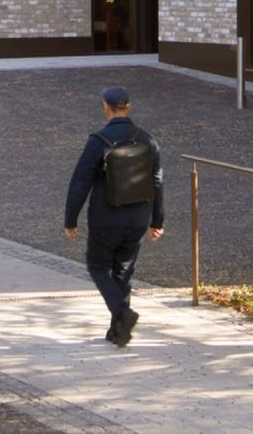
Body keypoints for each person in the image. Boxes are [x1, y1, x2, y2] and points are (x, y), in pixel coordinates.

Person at [63, 82, 164, 347]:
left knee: (97, 267)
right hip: (138, 218)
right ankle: (118, 333)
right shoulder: (146, 138)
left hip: (105, 219)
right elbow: (157, 180)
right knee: (123, 272)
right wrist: (157, 220)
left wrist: (70, 220)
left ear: (106, 108)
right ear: (127, 107)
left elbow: (80, 182)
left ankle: (122, 313)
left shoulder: (98, 142)